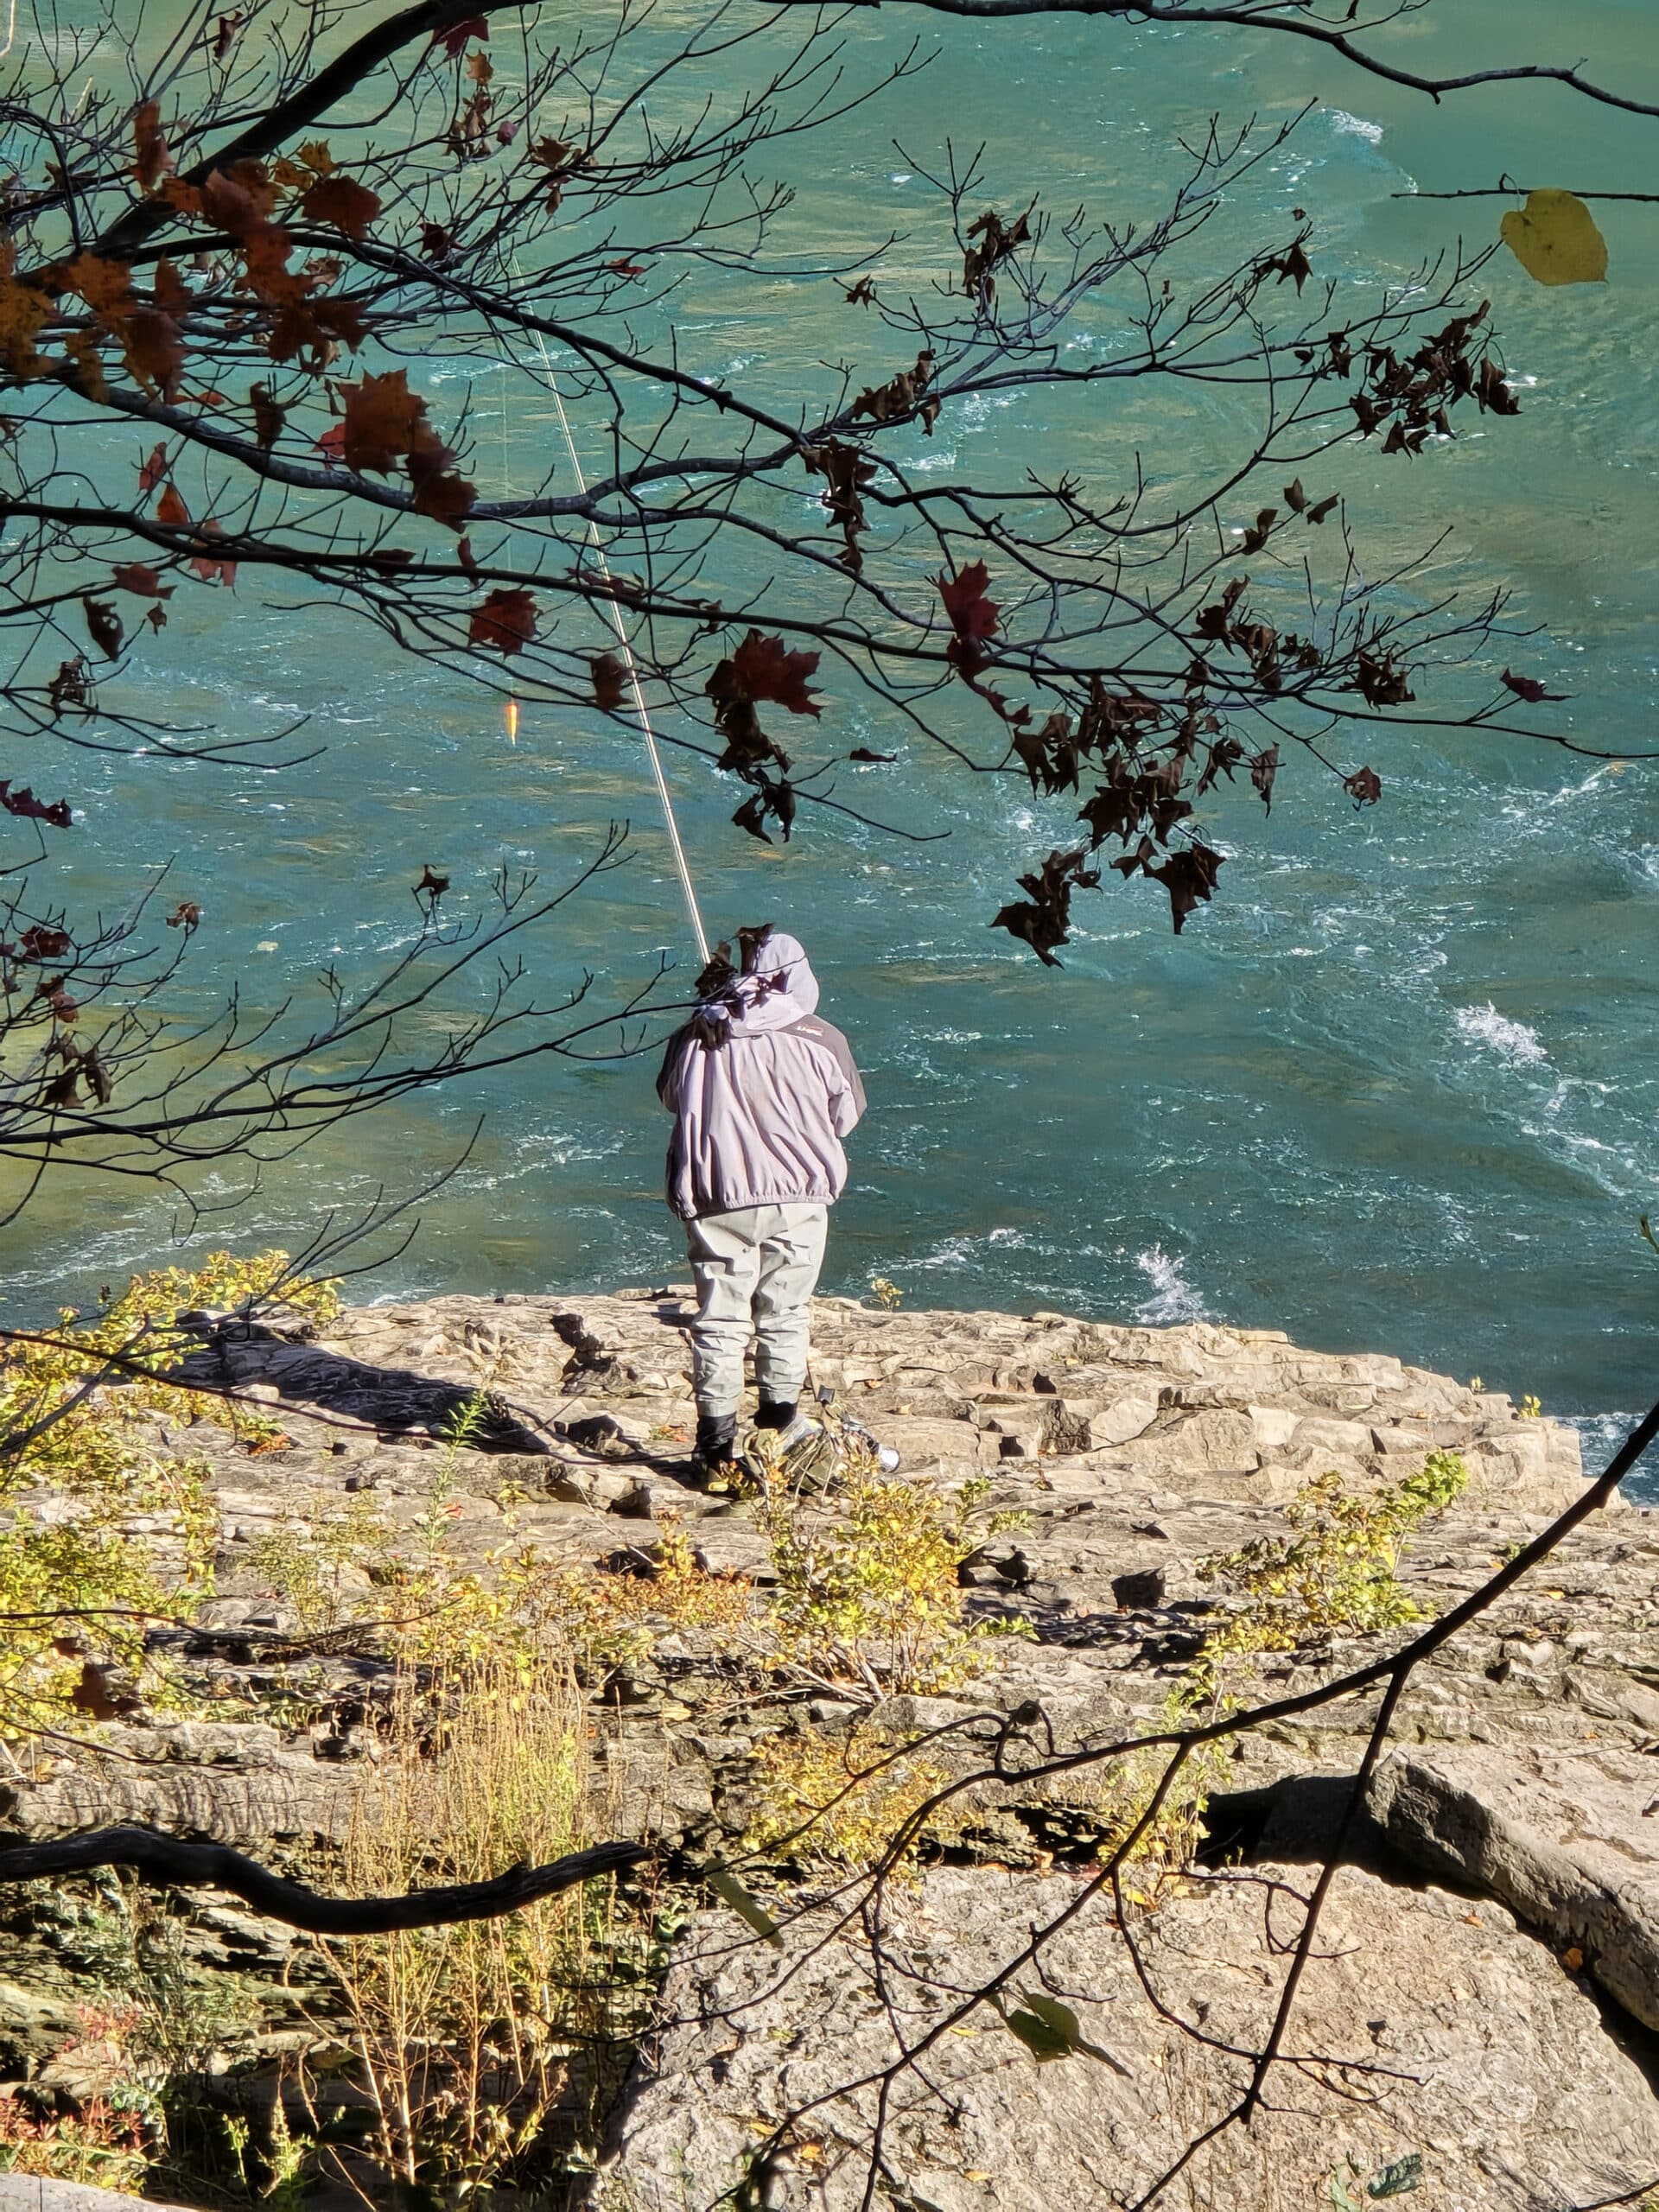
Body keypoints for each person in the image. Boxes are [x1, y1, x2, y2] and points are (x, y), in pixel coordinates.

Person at [658, 925, 865, 1478]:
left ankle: (715, 1447)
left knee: (719, 1320)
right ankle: (779, 1426)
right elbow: (845, 1117)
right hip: (798, 1194)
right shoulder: (822, 1038)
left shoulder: (697, 1034)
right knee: (785, 1312)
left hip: (717, 1195)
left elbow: (670, 1098)